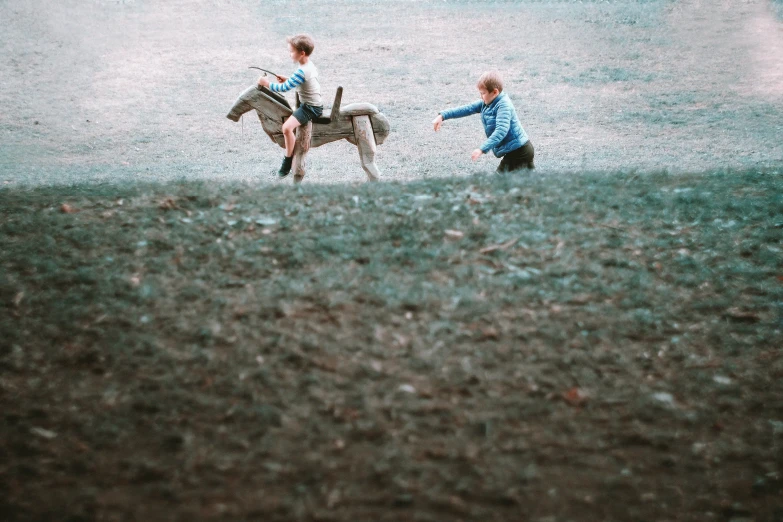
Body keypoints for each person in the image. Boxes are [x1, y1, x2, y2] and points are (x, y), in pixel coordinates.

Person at [432, 71, 534, 172]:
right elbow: (468, 108)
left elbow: (501, 131)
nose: (481, 96)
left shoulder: (503, 106)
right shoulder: (487, 102)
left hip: (519, 151)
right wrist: (443, 116)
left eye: (483, 93)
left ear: (495, 92)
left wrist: (482, 149)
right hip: (519, 150)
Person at [257, 34, 323, 178]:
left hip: (310, 108)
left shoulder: (302, 70)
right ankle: (289, 157)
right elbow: (299, 81)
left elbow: (284, 88)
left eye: (291, 51)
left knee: (286, 128)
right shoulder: (308, 65)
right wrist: (288, 79)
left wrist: (266, 83)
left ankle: (287, 160)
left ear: (302, 53)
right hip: (313, 103)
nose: (290, 54)